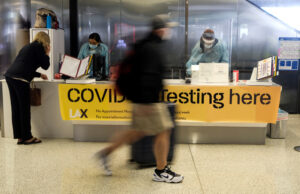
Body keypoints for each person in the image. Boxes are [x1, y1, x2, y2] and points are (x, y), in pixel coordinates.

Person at [95, 15, 184, 183]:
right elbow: (148, 76)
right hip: (147, 100)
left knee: (136, 132)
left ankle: (105, 154)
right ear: (161, 29)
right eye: (167, 28)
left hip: (141, 99)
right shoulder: (152, 48)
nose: (168, 31)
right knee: (164, 130)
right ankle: (161, 171)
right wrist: (147, 101)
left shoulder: (146, 45)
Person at [4, 31, 50, 145]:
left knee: (16, 109)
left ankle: (20, 137)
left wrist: (39, 75)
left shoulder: (28, 47)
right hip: (20, 79)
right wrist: (47, 53)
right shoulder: (39, 47)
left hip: (10, 76)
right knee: (24, 109)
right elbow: (45, 65)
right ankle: (28, 137)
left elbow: (25, 65)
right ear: (46, 41)